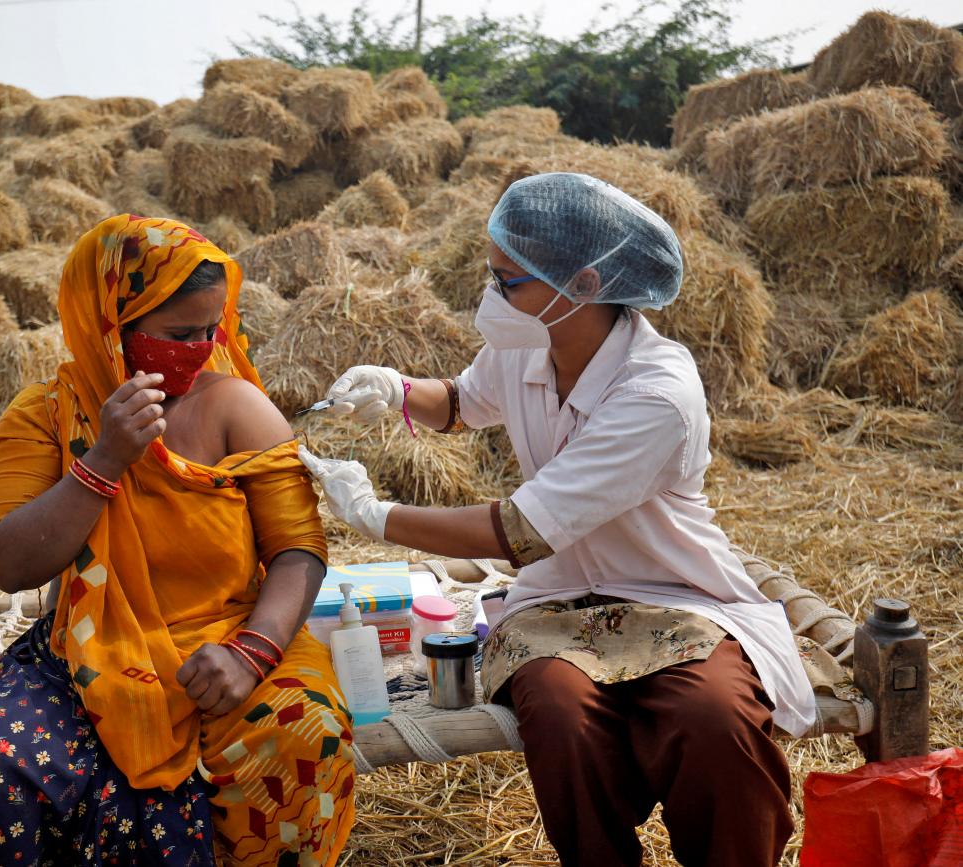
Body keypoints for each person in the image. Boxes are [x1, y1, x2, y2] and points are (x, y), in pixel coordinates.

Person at [299, 173, 814, 867]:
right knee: (561, 716)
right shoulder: (527, 341)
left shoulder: (656, 391)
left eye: (508, 280)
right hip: (554, 603)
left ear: (585, 284)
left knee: (713, 718)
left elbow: (518, 532)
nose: (492, 296)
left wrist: (377, 515)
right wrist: (394, 390)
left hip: (673, 593)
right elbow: (460, 403)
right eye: (492, 274)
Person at [0, 215, 355, 867]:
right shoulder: (45, 416)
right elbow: (8, 562)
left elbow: (298, 549)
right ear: (111, 322)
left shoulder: (239, 408)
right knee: (1, 756)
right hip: (90, 649)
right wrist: (104, 459)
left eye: (210, 329)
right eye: (177, 334)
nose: (199, 349)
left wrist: (251, 653)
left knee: (304, 733)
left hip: (233, 639)